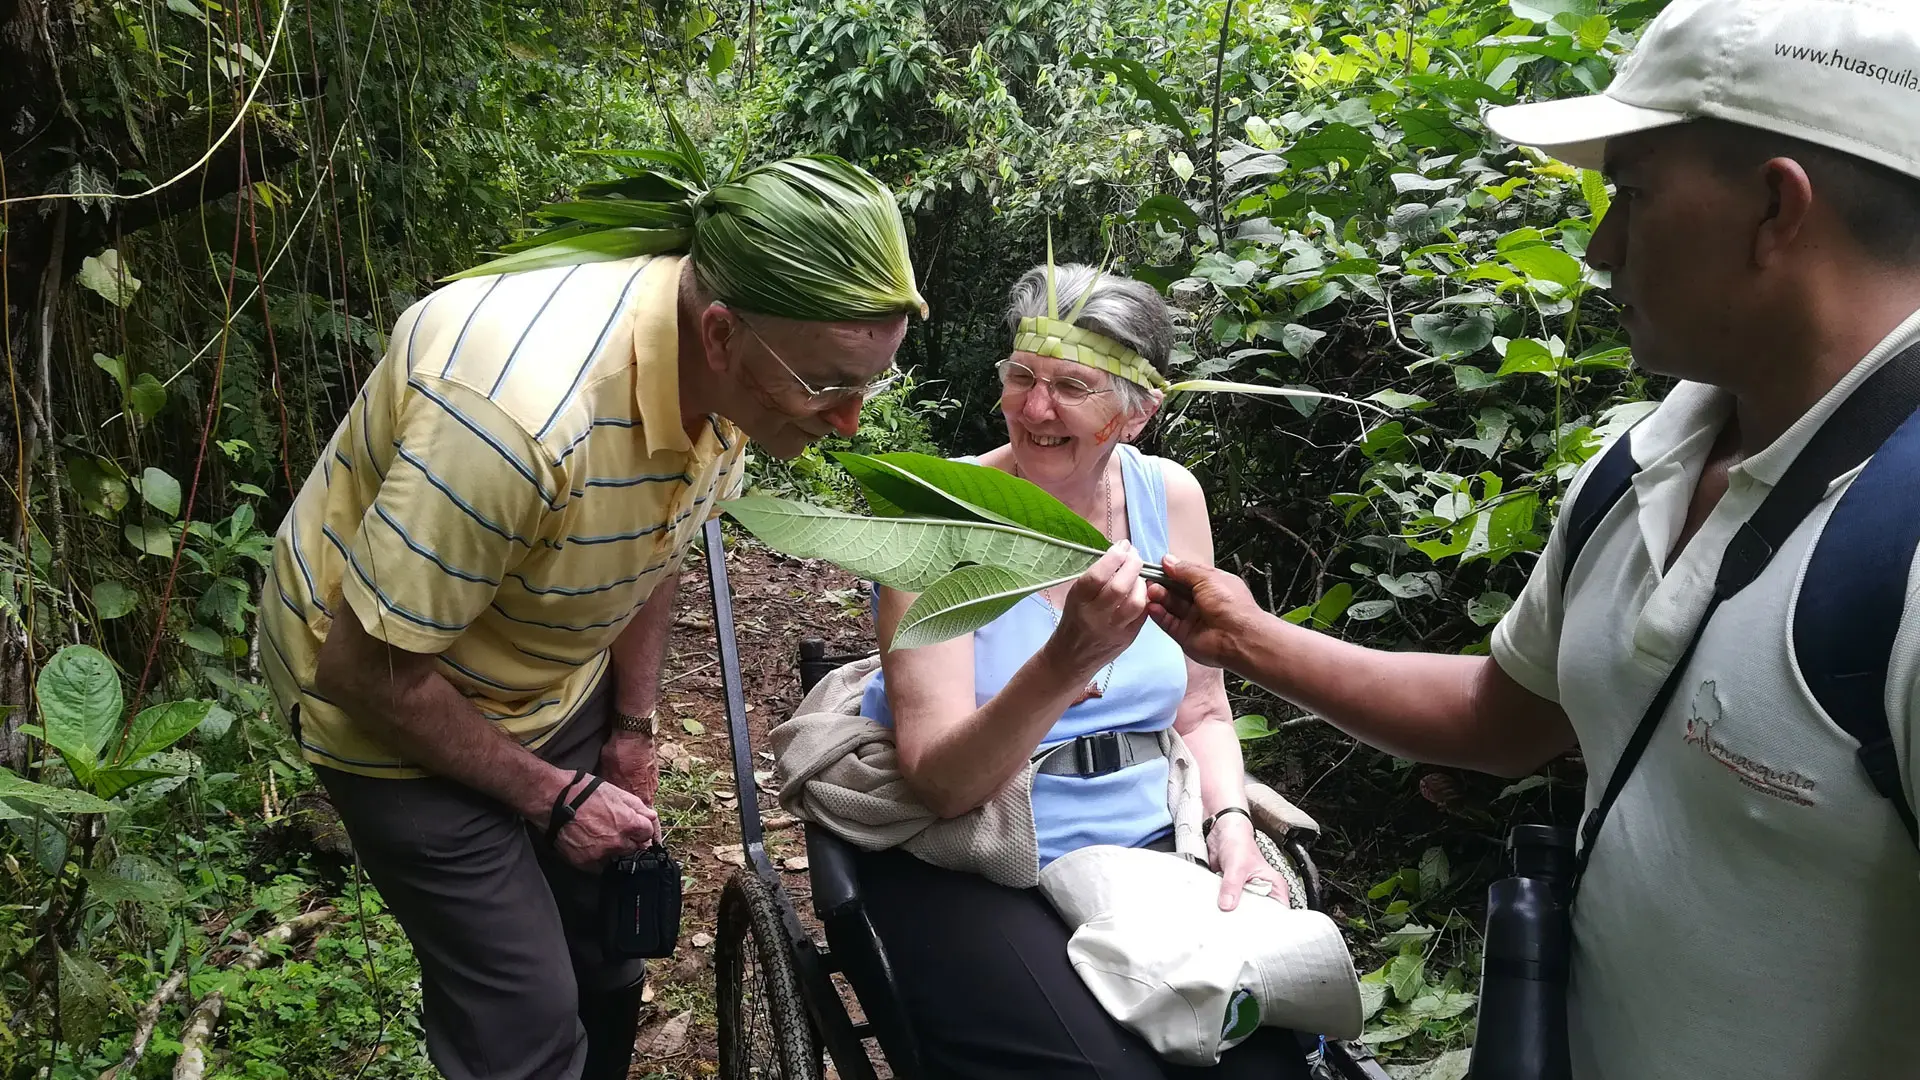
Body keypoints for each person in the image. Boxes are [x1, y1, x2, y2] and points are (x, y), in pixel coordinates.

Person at [1146, 1, 1920, 1077]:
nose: (1601, 246)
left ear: (1775, 210)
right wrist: (1244, 638)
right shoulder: (1646, 457)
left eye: (1633, 195)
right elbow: (1504, 717)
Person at [259, 153, 925, 1080]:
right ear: (722, 333)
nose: (847, 420)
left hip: (543, 672)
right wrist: (554, 795)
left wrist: (630, 726)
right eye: (825, 387)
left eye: (868, 386)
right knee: (523, 1022)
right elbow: (365, 672)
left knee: (608, 937)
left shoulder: (726, 372)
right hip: (389, 705)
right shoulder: (515, 418)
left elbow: (659, 532)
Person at [849, 262, 1311, 1079]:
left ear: (1137, 413)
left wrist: (1228, 821)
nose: (1034, 408)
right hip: (978, 856)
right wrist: (1068, 658)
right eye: (1021, 377)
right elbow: (943, 784)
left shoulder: (1168, 499)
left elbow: (1200, 712)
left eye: (1071, 385)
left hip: (1141, 843)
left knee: (1264, 1058)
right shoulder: (935, 522)